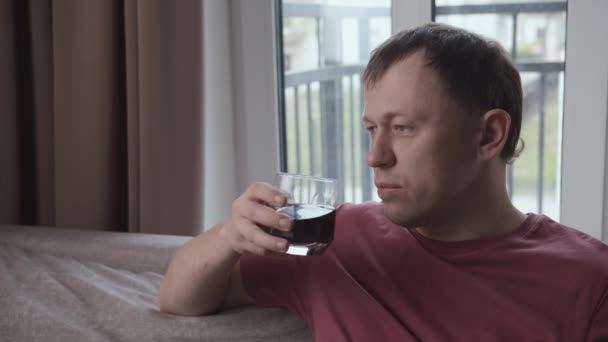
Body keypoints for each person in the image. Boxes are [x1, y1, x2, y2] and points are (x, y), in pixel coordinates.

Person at [158, 23, 608, 341]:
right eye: (372, 129)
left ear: (489, 135)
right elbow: (178, 298)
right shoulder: (337, 240)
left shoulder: (589, 281)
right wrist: (228, 236)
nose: (375, 156)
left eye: (404, 128)